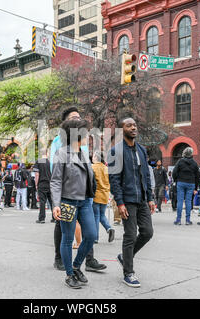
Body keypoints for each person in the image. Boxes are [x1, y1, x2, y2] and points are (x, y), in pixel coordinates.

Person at [49, 106, 106, 273]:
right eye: (74, 118)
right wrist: (56, 203)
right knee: (66, 236)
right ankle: (68, 270)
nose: (88, 135)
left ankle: (80, 263)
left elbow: (88, 172)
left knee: (90, 234)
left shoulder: (83, 149)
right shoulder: (60, 147)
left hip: (85, 199)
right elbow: (56, 178)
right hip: (67, 199)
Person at [109, 117, 155, 288]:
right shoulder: (115, 151)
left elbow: (146, 175)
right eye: (129, 125)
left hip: (142, 199)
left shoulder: (142, 150)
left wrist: (150, 197)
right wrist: (119, 202)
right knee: (130, 235)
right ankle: (128, 272)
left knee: (147, 232)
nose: (133, 127)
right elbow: (114, 179)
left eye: (134, 125)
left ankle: (124, 257)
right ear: (122, 130)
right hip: (127, 200)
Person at [171, 147, 199, 225]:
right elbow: (197, 176)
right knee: (188, 201)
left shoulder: (180, 161)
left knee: (179, 201)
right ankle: (187, 220)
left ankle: (178, 220)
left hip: (181, 182)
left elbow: (174, 172)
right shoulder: (194, 163)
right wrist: (196, 187)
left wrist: (176, 180)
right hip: (191, 183)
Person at [92, 151, 115, 243]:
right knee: (101, 215)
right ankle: (109, 228)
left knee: (96, 216)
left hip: (96, 195)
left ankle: (95, 237)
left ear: (96, 157)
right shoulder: (106, 168)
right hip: (105, 195)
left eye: (93, 156)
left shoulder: (92, 167)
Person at [33, 153, 53, 224]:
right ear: (47, 154)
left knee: (42, 201)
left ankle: (42, 218)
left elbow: (37, 174)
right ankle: (55, 218)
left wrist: (36, 184)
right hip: (50, 184)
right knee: (51, 201)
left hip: (42, 184)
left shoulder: (39, 161)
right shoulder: (50, 162)